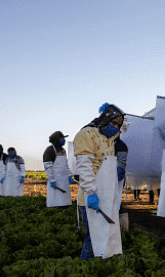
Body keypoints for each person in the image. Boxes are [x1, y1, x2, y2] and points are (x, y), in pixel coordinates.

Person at [74, 103, 127, 259]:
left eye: (119, 125)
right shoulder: (87, 134)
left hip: (106, 198)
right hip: (92, 198)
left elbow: (125, 124)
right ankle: (85, 270)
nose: (116, 128)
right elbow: (84, 167)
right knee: (93, 239)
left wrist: (119, 113)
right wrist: (91, 193)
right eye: (114, 123)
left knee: (106, 238)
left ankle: (101, 267)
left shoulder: (109, 137)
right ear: (104, 118)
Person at [43, 131, 73, 208]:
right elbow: (48, 167)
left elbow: (65, 165)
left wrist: (69, 175)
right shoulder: (50, 150)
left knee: (64, 200)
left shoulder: (63, 150)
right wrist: (52, 180)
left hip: (64, 180)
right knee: (55, 200)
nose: (64, 140)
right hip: (55, 180)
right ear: (57, 140)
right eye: (62, 138)